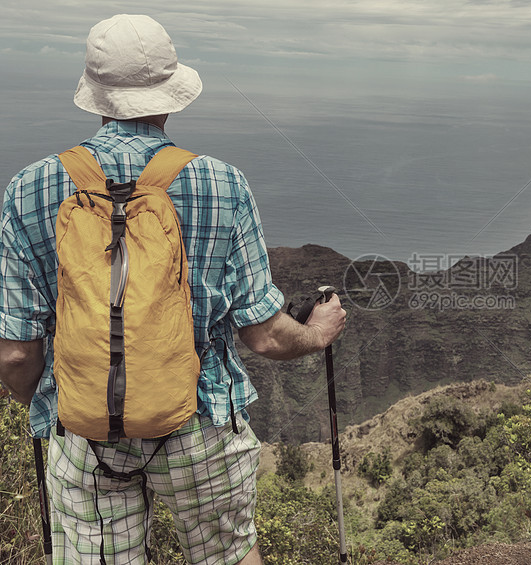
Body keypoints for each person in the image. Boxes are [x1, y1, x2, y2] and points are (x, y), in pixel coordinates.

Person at [0, 14, 346, 565]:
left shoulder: (30, 188)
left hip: (84, 432)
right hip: (200, 419)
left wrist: (56, 405)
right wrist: (317, 332)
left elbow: (17, 353)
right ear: (169, 95)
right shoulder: (221, 182)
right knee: (229, 555)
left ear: (95, 96)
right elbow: (265, 338)